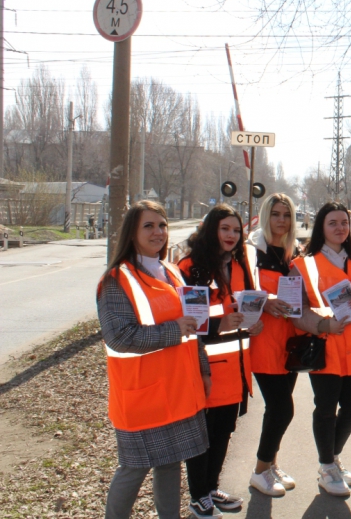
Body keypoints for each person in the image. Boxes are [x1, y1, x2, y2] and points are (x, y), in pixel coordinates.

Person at [97, 200, 209, 519]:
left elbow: (194, 327)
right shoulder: (116, 281)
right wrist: (172, 330)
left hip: (177, 390)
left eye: (162, 225)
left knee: (171, 463)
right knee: (133, 469)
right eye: (149, 226)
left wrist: (203, 371)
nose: (158, 232)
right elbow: (120, 336)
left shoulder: (172, 272)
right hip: (143, 395)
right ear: (132, 233)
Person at [178, 204, 263, 516]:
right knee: (202, 436)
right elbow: (187, 320)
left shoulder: (240, 266)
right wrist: (219, 325)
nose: (231, 235)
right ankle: (198, 494)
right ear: (211, 230)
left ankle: (211, 488)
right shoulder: (191, 267)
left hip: (237, 367)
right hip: (206, 368)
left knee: (223, 432)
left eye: (236, 230)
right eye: (225, 228)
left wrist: (255, 322)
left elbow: (247, 308)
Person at [292, 202, 351, 497]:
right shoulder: (303, 264)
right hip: (326, 347)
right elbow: (294, 308)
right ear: (321, 227)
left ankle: (332, 458)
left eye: (344, 223)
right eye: (332, 223)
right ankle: (327, 466)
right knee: (326, 409)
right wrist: (323, 326)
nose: (340, 228)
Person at [246, 193, 305, 497]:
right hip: (263, 340)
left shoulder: (292, 252)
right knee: (282, 409)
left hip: (289, 340)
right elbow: (239, 290)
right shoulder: (252, 251)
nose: (281, 220)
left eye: (287, 215)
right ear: (265, 215)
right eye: (276, 214)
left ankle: (271, 464)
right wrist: (265, 301)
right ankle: (259, 471)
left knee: (277, 408)